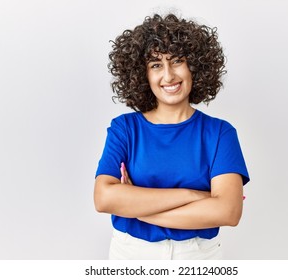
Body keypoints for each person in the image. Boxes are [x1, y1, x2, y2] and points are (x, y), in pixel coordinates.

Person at [94, 13, 250, 260]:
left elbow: (228, 211)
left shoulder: (220, 133)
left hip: (198, 258)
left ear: (194, 66)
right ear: (142, 74)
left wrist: (138, 209)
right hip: (131, 255)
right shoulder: (124, 129)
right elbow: (104, 198)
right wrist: (194, 195)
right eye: (156, 65)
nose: (168, 76)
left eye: (177, 61)